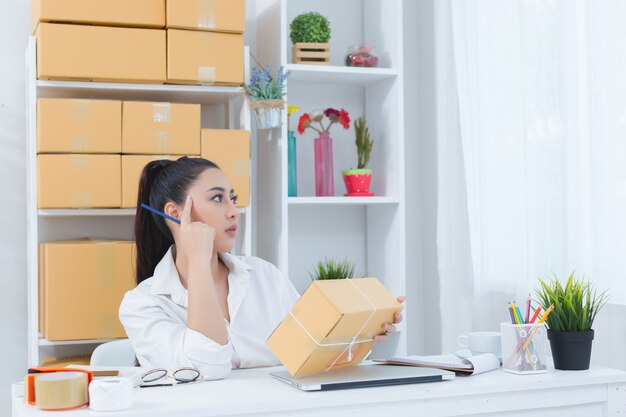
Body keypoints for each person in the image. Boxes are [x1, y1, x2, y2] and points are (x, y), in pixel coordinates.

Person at [119, 156, 404, 380]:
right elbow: (207, 368)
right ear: (175, 213)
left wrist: (357, 336)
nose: (233, 211)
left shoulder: (264, 275)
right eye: (218, 198)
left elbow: (308, 355)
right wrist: (198, 264)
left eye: (233, 198)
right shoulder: (142, 304)